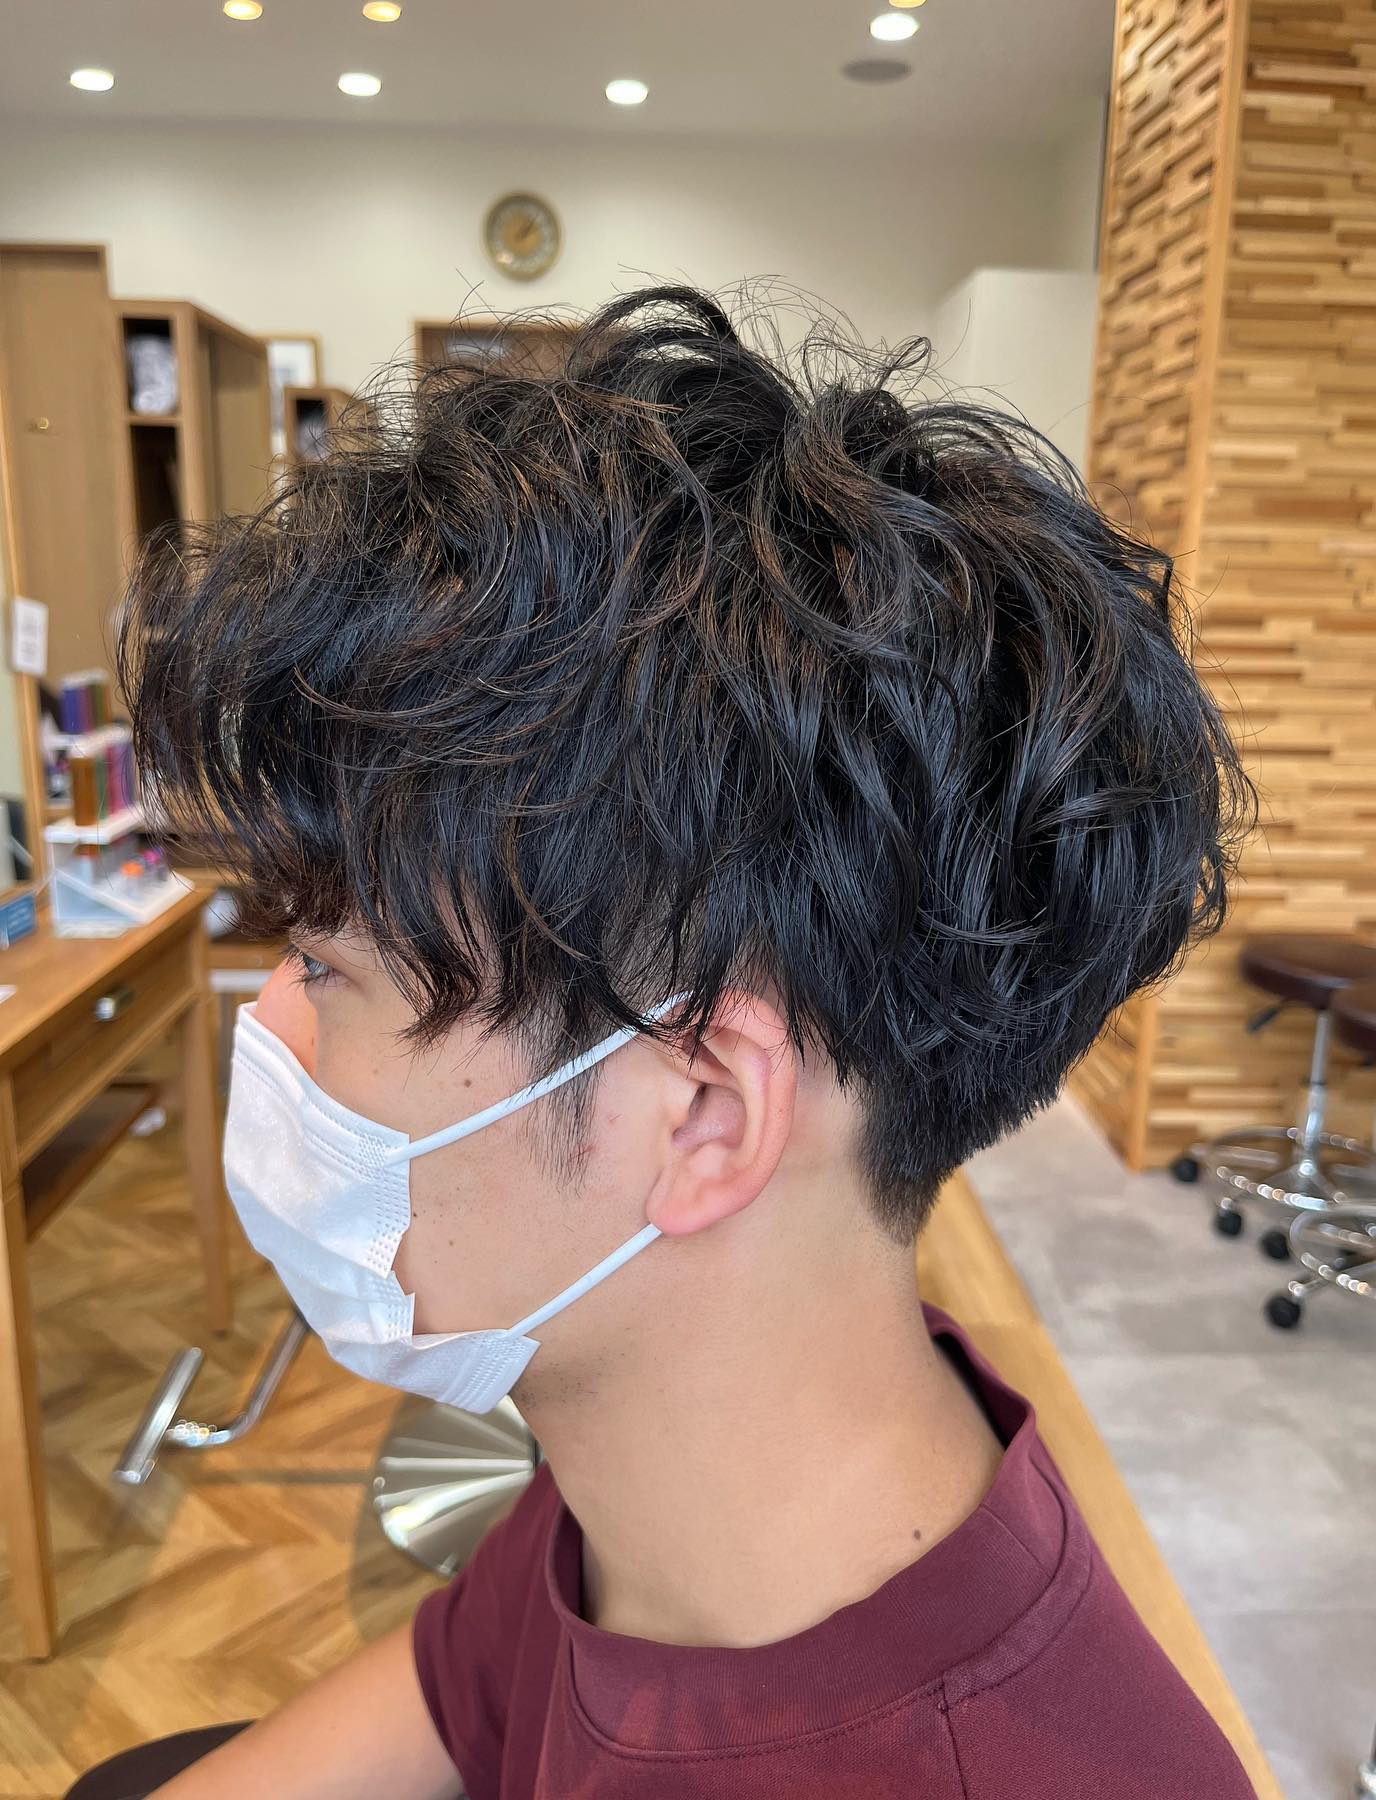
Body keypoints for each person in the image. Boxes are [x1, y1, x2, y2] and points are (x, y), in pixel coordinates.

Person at [118, 286, 1257, 1799]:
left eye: (326, 968)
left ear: (702, 1115)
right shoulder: (668, 1462)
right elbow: (462, 1692)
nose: (270, 1027)